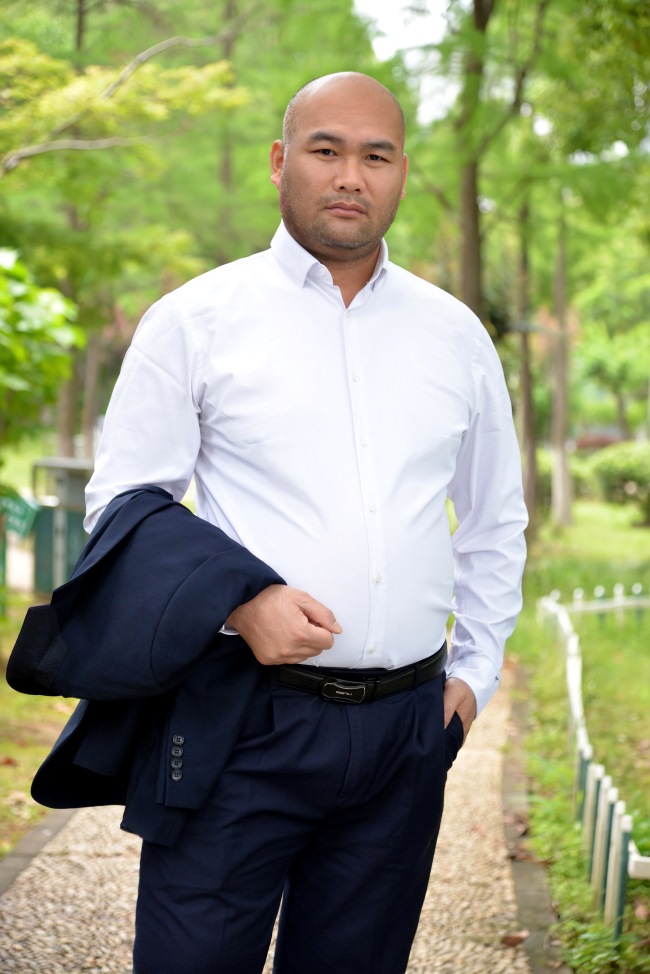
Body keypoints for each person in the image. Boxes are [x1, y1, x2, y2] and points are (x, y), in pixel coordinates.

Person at [84, 72, 527, 974]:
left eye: (376, 156)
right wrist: (240, 602)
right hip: (239, 722)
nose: (350, 176)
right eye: (327, 150)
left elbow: (493, 519)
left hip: (406, 735)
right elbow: (123, 506)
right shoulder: (195, 320)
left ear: (402, 173)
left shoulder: (455, 336)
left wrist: (475, 674)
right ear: (280, 162)